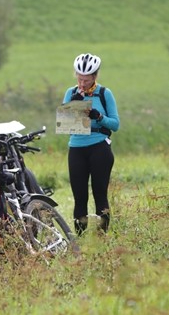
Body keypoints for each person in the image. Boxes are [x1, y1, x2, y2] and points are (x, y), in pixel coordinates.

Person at [62, 53, 120, 234]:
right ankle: (80, 240)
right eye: (80, 79)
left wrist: (98, 116)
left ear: (95, 77)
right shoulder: (70, 93)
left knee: (99, 195)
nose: (82, 83)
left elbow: (115, 124)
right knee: (80, 198)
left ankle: (102, 238)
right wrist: (75, 107)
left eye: (86, 80)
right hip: (77, 148)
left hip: (99, 147)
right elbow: (66, 126)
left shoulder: (104, 94)